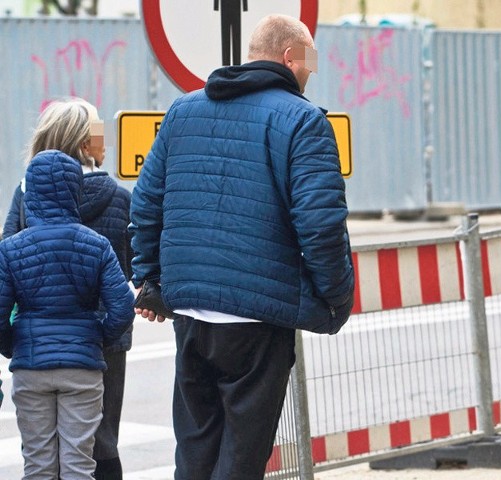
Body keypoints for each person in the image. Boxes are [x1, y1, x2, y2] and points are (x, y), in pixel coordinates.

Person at [129, 13, 354, 480]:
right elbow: (321, 224)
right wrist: (335, 299)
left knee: (194, 450)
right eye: (309, 60)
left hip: (190, 311)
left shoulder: (183, 111)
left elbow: (147, 202)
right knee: (241, 458)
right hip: (258, 317)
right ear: (290, 57)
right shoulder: (304, 121)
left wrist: (150, 279)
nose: (312, 71)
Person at [2, 97, 134, 480]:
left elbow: (7, 270)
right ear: (83, 144)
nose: (105, 138)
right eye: (99, 132)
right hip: (103, 344)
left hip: (35, 344)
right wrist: (102, 332)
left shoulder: (26, 196)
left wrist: (12, 341)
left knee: (40, 454)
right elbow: (128, 275)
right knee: (100, 444)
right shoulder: (120, 200)